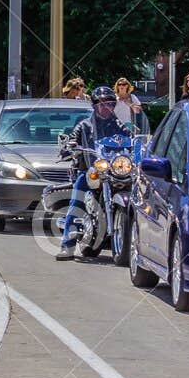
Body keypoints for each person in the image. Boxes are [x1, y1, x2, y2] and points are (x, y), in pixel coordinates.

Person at [56, 86, 134, 260]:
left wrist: (139, 147)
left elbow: (132, 140)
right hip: (91, 170)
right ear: (94, 105)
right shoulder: (84, 125)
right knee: (77, 201)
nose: (106, 107)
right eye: (102, 104)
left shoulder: (119, 125)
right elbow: (73, 141)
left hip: (114, 170)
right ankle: (67, 246)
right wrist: (71, 147)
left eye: (110, 104)